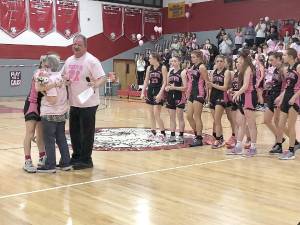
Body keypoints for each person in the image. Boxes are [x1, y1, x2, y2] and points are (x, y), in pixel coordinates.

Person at [62, 34, 106, 170]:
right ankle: (76, 157)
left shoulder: (92, 61)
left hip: (89, 103)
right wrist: (65, 80)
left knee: (86, 132)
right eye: (74, 44)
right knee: (74, 132)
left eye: (79, 45)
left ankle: (86, 160)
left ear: (85, 46)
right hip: (74, 102)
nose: (76, 46)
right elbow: (63, 76)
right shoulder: (69, 61)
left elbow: (102, 77)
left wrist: (95, 84)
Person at [36, 54, 71, 173]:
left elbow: (52, 99)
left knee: (49, 140)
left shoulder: (50, 79)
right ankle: (66, 163)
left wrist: (44, 94)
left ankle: (50, 165)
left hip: (50, 114)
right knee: (61, 138)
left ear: (48, 65)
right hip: (61, 113)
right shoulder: (61, 78)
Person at [227, 50, 258, 156]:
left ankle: (253, 147)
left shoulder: (249, 68)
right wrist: (235, 92)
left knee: (251, 123)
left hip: (249, 96)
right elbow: (242, 87)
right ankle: (238, 146)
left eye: (239, 59)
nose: (238, 61)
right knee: (241, 122)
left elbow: (246, 86)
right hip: (243, 96)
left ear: (243, 59)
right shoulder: (242, 70)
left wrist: (236, 93)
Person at [274, 48, 300, 160]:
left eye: (284, 55)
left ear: (290, 56)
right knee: (281, 124)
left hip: (295, 98)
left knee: (291, 125)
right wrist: (281, 96)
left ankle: (291, 151)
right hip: (287, 97)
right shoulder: (288, 68)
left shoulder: (298, 67)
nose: (283, 57)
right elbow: (287, 86)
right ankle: (290, 146)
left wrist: (294, 97)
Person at [22, 56, 47, 173]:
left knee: (40, 134)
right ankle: (27, 160)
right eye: (45, 62)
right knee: (30, 133)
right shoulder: (38, 73)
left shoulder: (50, 74)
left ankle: (43, 157)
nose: (47, 64)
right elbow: (41, 89)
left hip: (42, 107)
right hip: (32, 105)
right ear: (41, 63)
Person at [141, 52, 168, 141]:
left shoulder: (163, 67)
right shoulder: (149, 68)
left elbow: (165, 82)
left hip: (158, 91)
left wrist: (161, 93)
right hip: (150, 91)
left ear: (155, 58)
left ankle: (162, 133)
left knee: (157, 114)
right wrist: (142, 92)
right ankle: (153, 132)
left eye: (150, 58)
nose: (149, 60)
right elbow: (146, 81)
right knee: (151, 114)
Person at [263, 52, 286, 153]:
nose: (270, 62)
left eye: (272, 60)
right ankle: (279, 137)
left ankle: (279, 144)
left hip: (279, 98)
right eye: (269, 60)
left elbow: (287, 86)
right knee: (266, 120)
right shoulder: (276, 69)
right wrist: (269, 84)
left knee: (277, 121)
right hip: (272, 96)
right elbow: (277, 82)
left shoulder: (283, 69)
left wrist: (281, 98)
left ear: (279, 58)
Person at [186, 50, 209, 147]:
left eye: (193, 57)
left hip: (199, 93)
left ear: (199, 57)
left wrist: (208, 95)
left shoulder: (202, 67)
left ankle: (199, 138)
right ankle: (197, 134)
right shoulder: (193, 67)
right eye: (191, 57)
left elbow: (207, 82)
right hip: (192, 92)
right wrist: (188, 92)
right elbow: (191, 81)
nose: (192, 59)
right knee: (188, 116)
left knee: (197, 116)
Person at [207, 55, 231, 148]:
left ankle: (218, 139)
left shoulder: (227, 72)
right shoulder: (213, 72)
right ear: (215, 63)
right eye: (217, 61)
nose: (219, 63)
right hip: (213, 96)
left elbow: (225, 87)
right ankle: (220, 137)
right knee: (215, 120)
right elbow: (210, 87)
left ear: (224, 62)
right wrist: (208, 97)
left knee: (217, 119)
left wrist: (212, 84)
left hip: (221, 96)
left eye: (221, 61)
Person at [165, 56, 187, 143]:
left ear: (179, 62)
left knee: (180, 117)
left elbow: (185, 88)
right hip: (170, 96)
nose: (173, 63)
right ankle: (172, 135)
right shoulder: (170, 71)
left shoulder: (183, 72)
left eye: (175, 61)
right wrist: (167, 88)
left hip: (179, 96)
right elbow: (167, 85)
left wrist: (175, 87)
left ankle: (181, 135)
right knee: (171, 117)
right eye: (172, 61)